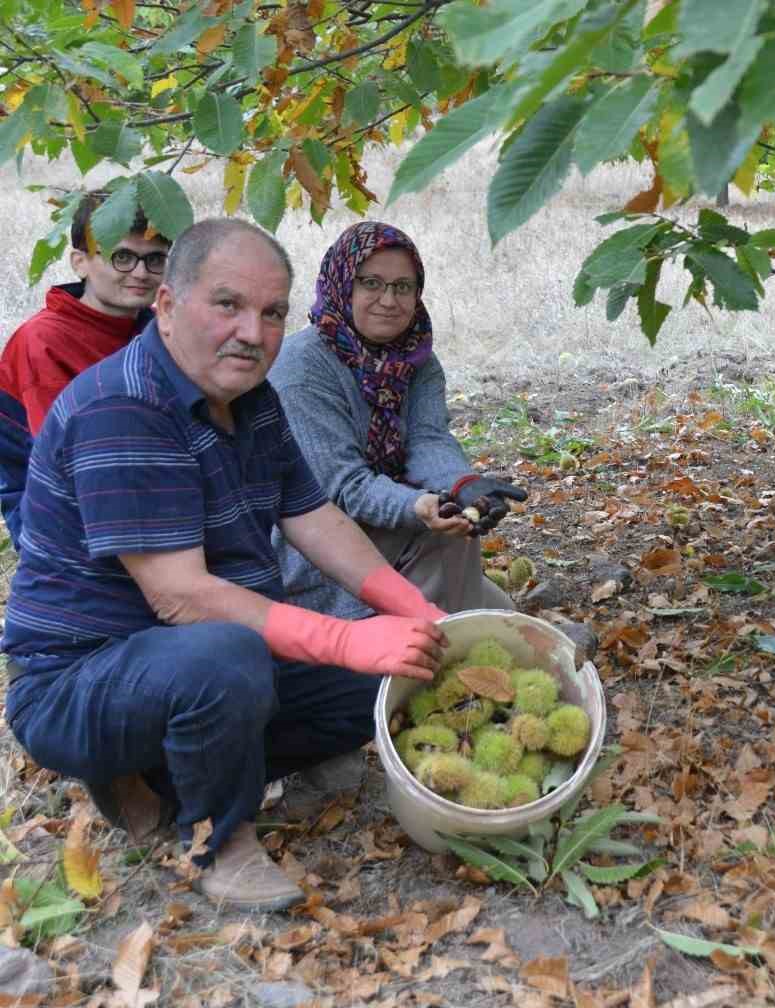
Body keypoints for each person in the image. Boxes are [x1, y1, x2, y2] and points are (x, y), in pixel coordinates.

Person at [2, 219, 450, 911]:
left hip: (198, 657)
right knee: (227, 656)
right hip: (80, 680)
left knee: (388, 683)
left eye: (271, 312)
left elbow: (316, 518)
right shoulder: (125, 404)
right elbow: (181, 597)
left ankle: (160, 775)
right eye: (228, 305)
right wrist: (343, 637)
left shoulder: (252, 400)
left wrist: (413, 611)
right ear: (169, 306)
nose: (253, 331)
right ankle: (217, 833)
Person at [268, 221, 524, 620]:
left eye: (403, 286)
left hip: (389, 527)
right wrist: (418, 506)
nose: (389, 300)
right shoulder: (301, 368)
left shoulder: (415, 359)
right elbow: (342, 487)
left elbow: (427, 440)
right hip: (316, 554)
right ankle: (411, 656)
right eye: (372, 283)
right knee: (448, 547)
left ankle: (443, 634)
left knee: (505, 616)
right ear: (343, 284)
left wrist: (462, 485)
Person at [0, 189, 172, 541]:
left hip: (148, 490)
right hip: (58, 517)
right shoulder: (43, 340)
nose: (140, 272)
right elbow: (67, 465)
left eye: (155, 259)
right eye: (121, 256)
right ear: (79, 261)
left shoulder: (158, 329)